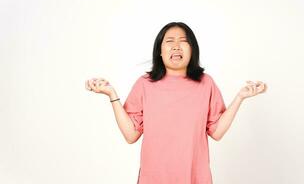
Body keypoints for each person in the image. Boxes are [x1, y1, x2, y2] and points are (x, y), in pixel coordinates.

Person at [85, 22, 267, 184]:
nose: (176, 46)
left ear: (192, 49)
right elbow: (131, 134)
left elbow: (217, 131)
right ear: (160, 51)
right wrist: (112, 95)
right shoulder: (145, 84)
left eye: (183, 41)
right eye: (170, 41)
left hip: (194, 178)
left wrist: (240, 97)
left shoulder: (206, 83)